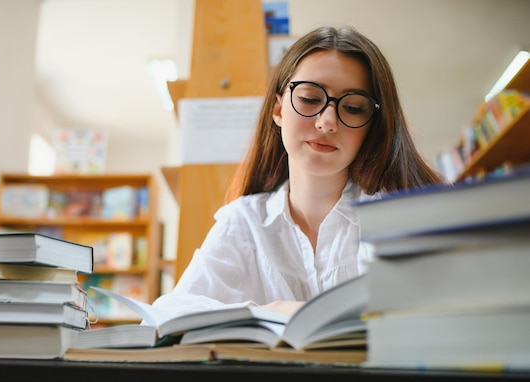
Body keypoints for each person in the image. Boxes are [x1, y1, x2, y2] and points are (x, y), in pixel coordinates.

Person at [152, 25, 443, 317]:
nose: (327, 122)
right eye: (310, 99)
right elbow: (168, 314)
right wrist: (274, 311)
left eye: (353, 107)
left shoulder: (395, 216)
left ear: (371, 127)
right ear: (278, 111)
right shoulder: (244, 222)